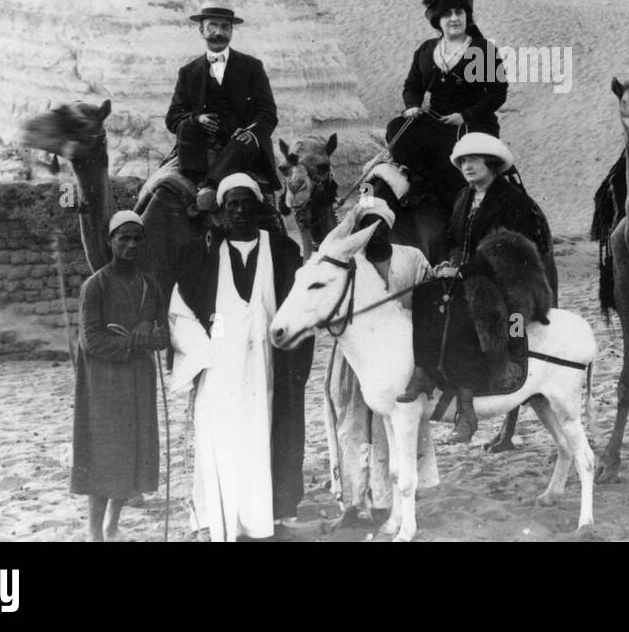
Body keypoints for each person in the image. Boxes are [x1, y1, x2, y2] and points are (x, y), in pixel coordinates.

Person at [167, 173, 311, 541]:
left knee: (263, 436)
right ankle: (215, 519)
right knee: (220, 439)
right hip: (218, 367)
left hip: (267, 366)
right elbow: (179, 311)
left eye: (247, 203)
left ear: (258, 208)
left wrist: (295, 365)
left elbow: (301, 310)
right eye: (233, 204)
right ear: (221, 211)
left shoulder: (282, 250)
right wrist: (200, 356)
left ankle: (261, 519)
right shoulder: (202, 252)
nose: (241, 211)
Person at [399, 133, 551, 443]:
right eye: (463, 161)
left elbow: (512, 251)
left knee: (467, 312)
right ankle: (426, 370)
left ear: (491, 164)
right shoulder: (463, 197)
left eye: (473, 160)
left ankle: (466, 411)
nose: (466, 167)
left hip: (508, 278)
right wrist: (446, 263)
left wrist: (464, 269)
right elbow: (454, 239)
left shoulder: (513, 200)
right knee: (426, 293)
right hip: (468, 272)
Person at [324, 197, 441, 524]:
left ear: (389, 224)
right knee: (354, 425)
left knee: (400, 427)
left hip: (401, 357)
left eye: (379, 223)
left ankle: (396, 503)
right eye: (365, 224)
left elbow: (432, 296)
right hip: (356, 358)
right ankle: (354, 501)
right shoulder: (349, 262)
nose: (373, 230)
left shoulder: (411, 257)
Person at [70, 210, 169, 542]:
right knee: (104, 456)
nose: (131, 244)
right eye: (123, 238)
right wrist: (133, 340)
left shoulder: (149, 285)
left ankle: (113, 525)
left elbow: (162, 334)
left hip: (139, 381)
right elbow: (91, 340)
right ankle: (94, 533)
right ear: (110, 241)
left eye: (137, 238)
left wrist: (151, 332)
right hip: (104, 384)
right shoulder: (95, 286)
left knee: (132, 454)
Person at [387, 0, 507, 217]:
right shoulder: (427, 50)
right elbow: (412, 86)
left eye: (459, 12)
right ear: (438, 21)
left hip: (473, 124)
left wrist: (464, 115)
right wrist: (413, 106)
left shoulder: (481, 50)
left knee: (457, 154)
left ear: (467, 16)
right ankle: (419, 182)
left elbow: (498, 93)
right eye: (448, 14)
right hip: (436, 120)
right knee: (396, 128)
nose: (454, 18)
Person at [166, 5, 281, 212]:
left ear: (231, 31)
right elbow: (173, 117)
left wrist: (251, 132)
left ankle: (208, 187)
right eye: (212, 26)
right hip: (200, 145)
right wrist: (196, 119)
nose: (218, 32)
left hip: (239, 145)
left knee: (242, 142)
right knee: (187, 127)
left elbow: (268, 112)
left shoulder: (252, 67)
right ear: (201, 30)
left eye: (224, 27)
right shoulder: (188, 72)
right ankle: (197, 182)